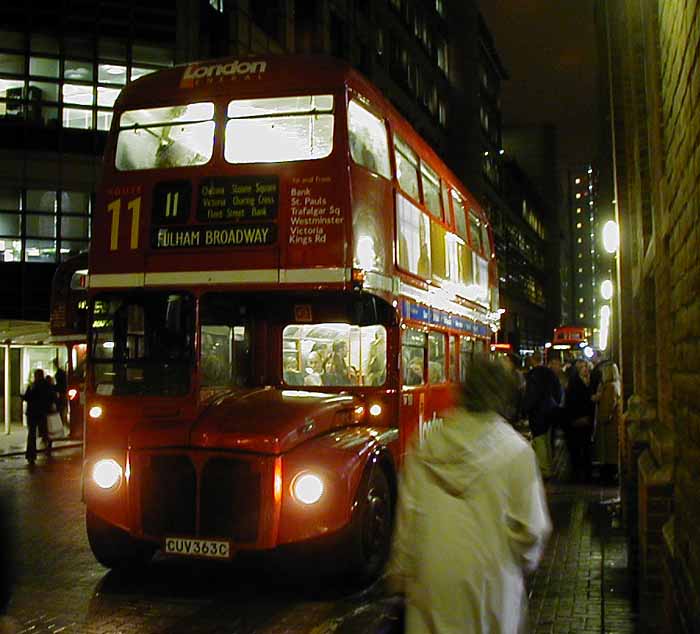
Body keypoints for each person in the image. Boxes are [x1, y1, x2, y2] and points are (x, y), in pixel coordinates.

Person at [386, 355, 551, 634]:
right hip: (490, 584)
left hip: (432, 582)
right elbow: (532, 529)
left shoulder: (425, 446)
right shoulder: (516, 452)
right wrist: (520, 560)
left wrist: (403, 574)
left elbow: (407, 522)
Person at [522, 351, 562, 479]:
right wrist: (554, 404)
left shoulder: (533, 375)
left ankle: (544, 469)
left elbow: (531, 396)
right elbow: (558, 392)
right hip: (551, 410)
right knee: (549, 439)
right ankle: (551, 466)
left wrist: (525, 410)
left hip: (538, 413)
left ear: (533, 361)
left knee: (540, 440)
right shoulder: (550, 373)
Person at [563, 359, 595, 483]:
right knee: (576, 448)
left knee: (586, 447)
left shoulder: (589, 382)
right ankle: (577, 474)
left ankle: (586, 473)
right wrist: (575, 419)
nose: (586, 369)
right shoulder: (574, 384)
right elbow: (572, 403)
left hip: (587, 420)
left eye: (586, 367)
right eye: (582, 367)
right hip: (577, 420)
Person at [592, 361, 621, 482]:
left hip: (609, 426)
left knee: (608, 452)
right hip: (612, 424)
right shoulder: (615, 385)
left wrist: (601, 419)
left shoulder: (610, 387)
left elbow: (608, 406)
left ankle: (608, 475)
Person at [22, 368, 54, 464]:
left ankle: (31, 455)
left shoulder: (33, 385)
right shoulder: (46, 385)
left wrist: (23, 396)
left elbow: (27, 397)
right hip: (42, 412)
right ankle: (48, 449)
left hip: (32, 413)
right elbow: (51, 397)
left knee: (32, 434)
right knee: (44, 432)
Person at [53, 359, 68, 428]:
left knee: (61, 408)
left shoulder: (60, 373)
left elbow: (60, 385)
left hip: (61, 393)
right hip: (62, 392)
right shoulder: (62, 372)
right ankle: (63, 422)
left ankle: (62, 422)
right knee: (62, 408)